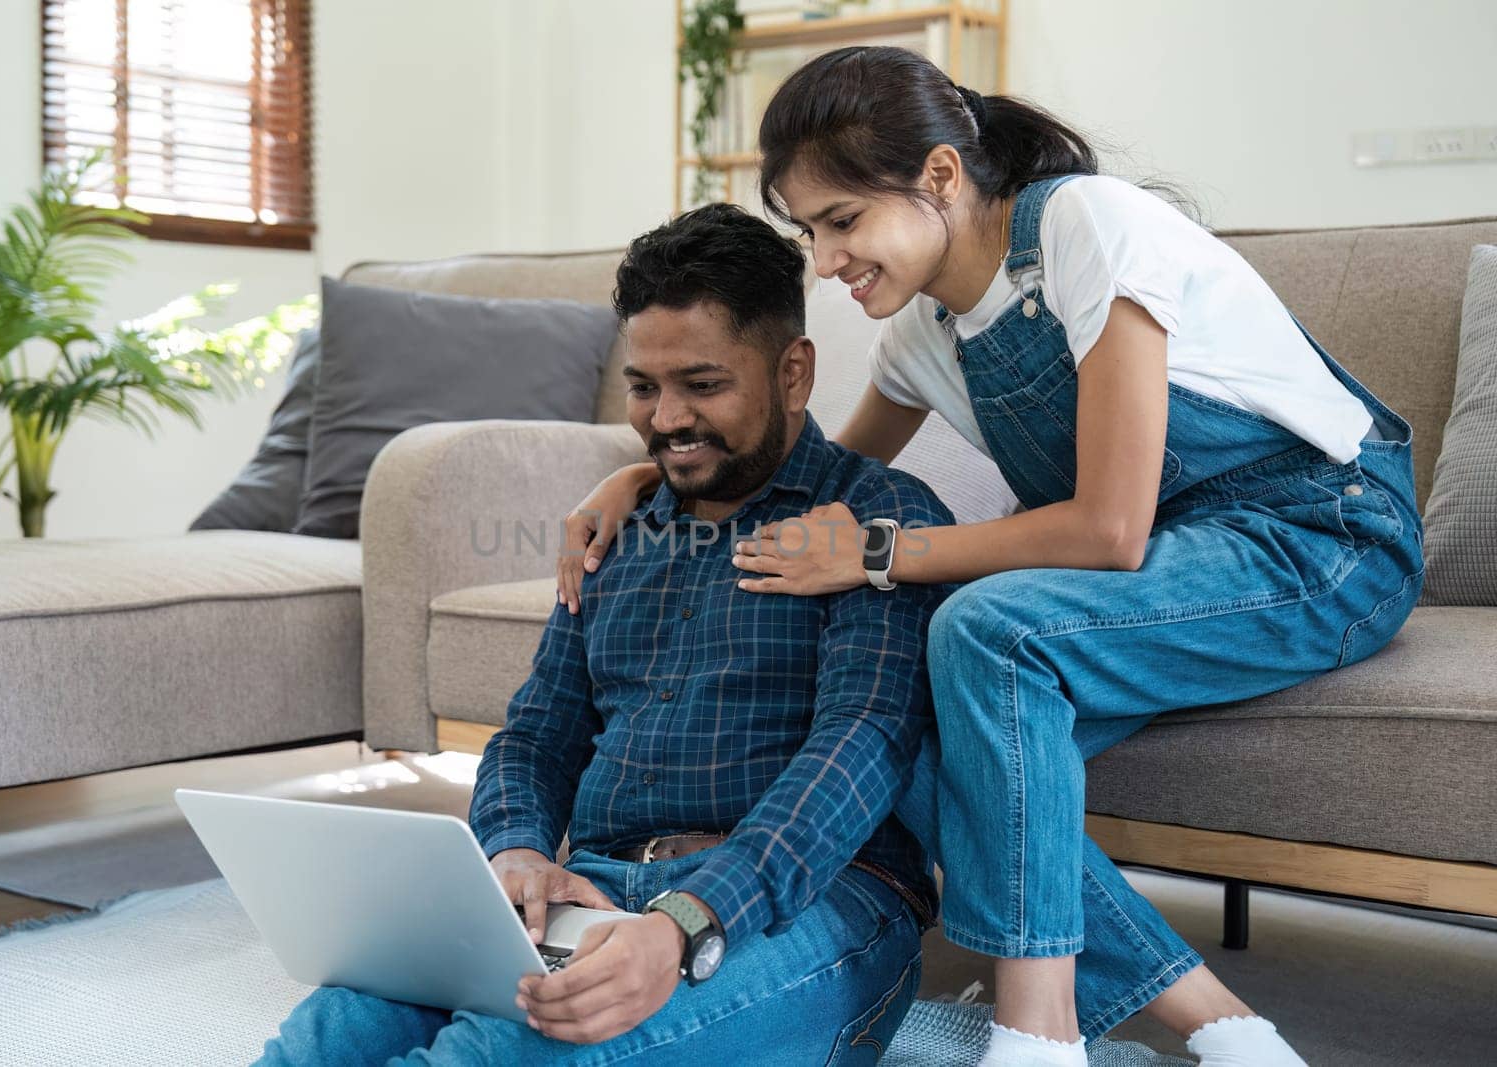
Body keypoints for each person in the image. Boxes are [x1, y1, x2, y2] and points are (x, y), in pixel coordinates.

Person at [556, 46, 1423, 1067]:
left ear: (936, 176)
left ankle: (1037, 1033)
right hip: (1169, 571)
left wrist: (878, 550)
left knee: (983, 627)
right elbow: (805, 470)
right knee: (908, 722)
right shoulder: (924, 338)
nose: (825, 261)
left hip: (1318, 535)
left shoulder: (1083, 226)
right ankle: (1226, 1027)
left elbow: (1108, 528)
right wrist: (645, 476)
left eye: (841, 222)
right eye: (809, 232)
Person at [256, 202, 963, 1066]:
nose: (666, 420)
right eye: (643, 386)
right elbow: (537, 731)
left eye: (703, 385)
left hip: (813, 903)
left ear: (793, 373)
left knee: (504, 1054)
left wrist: (685, 921)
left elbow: (861, 748)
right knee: (329, 1031)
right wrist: (515, 853)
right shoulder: (612, 531)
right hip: (595, 882)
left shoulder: (879, 522)